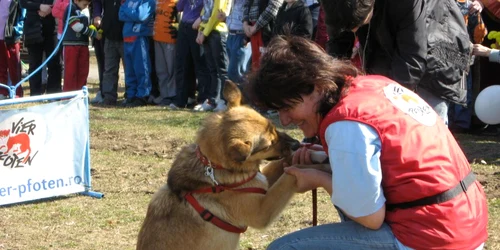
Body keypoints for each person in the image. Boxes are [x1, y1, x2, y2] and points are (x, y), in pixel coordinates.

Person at [249, 35, 488, 250]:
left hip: (432, 237)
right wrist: (325, 157)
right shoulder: (373, 86)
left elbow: (370, 217)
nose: (285, 119)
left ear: (317, 86)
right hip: (463, 222)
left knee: (284, 248)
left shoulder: (346, 123)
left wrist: (318, 178)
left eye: (287, 106)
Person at [323, 0, 472, 126]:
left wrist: (381, 106)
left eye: (358, 24)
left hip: (438, 40)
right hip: (390, 37)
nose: (354, 30)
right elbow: (338, 46)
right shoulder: (336, 4)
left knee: (426, 122)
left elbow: (412, 59)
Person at [169, 0, 210, 110]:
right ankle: (181, 100)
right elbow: (179, 7)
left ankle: (203, 99)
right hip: (184, 26)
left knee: (200, 65)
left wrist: (201, 20)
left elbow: (209, 9)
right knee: (181, 63)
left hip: (198, 27)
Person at [193, 0, 231, 112]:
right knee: (212, 70)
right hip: (207, 32)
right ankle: (212, 100)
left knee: (222, 70)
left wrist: (204, 33)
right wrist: (201, 30)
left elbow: (216, 14)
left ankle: (224, 101)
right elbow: (205, 11)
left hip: (218, 32)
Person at [20, 0, 62, 96]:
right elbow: (23, 2)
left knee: (54, 61)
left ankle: (54, 93)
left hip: (52, 25)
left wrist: (51, 8)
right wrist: (39, 6)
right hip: (33, 25)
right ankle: (35, 93)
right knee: (35, 62)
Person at [119, 0, 155, 107]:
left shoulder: (148, 1)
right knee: (129, 70)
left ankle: (142, 96)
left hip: (139, 38)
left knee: (141, 68)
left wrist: (126, 10)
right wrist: (133, 13)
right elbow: (120, 15)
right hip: (127, 38)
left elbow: (141, 17)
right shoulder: (129, 1)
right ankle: (131, 95)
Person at [61, 0, 101, 92]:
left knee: (83, 71)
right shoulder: (71, 9)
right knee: (71, 72)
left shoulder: (84, 10)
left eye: (87, 5)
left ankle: (80, 94)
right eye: (84, 4)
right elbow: (76, 26)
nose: (86, 7)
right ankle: (69, 96)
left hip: (83, 45)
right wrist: (93, 33)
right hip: (71, 46)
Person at [92, 0, 124, 106]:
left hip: (125, 34)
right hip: (109, 34)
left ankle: (131, 96)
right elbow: (97, 3)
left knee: (129, 68)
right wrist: (97, 15)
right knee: (109, 68)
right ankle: (109, 97)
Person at [242, 0, 283, 70]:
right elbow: (246, 4)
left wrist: (256, 27)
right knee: (255, 67)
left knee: (265, 66)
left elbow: (274, 6)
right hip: (252, 30)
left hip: (267, 30)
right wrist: (245, 24)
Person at [153, 0, 179, 106]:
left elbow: (179, 19)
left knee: (171, 69)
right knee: (161, 69)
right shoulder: (158, 1)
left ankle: (172, 95)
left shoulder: (176, 2)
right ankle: (164, 94)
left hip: (170, 40)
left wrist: (177, 27)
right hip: (157, 38)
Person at [0, 0, 25, 98]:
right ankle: (2, 91)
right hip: (0, 38)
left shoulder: (16, 1)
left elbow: (22, 16)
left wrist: (15, 31)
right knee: (1, 66)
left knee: (14, 65)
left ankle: (17, 92)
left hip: (11, 37)